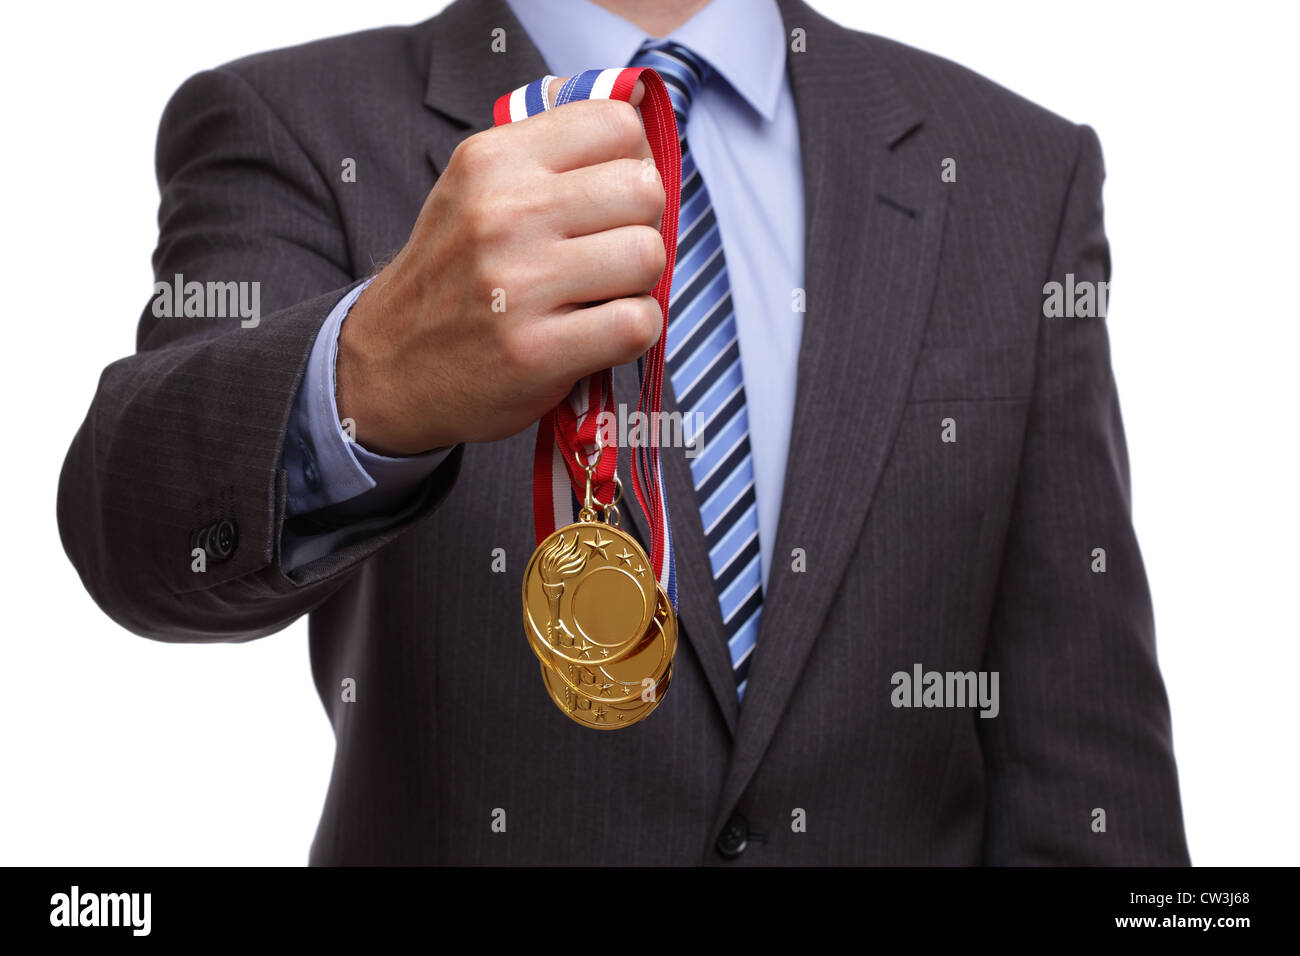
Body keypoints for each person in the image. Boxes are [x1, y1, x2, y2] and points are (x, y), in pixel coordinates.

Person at [57, 0, 1190, 864]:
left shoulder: (1017, 171)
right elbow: (139, 521)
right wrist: (370, 369)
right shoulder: (294, 122)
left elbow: (1085, 753)